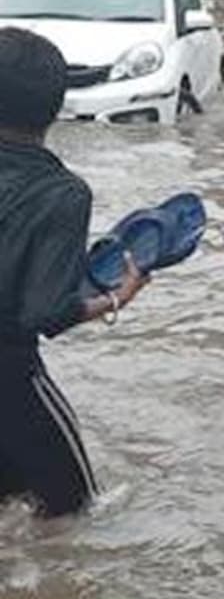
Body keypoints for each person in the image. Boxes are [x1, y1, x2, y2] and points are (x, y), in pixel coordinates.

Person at [0, 28, 150, 517]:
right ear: (57, 106)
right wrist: (115, 299)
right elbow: (46, 313)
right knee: (80, 516)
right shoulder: (63, 194)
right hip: (11, 381)